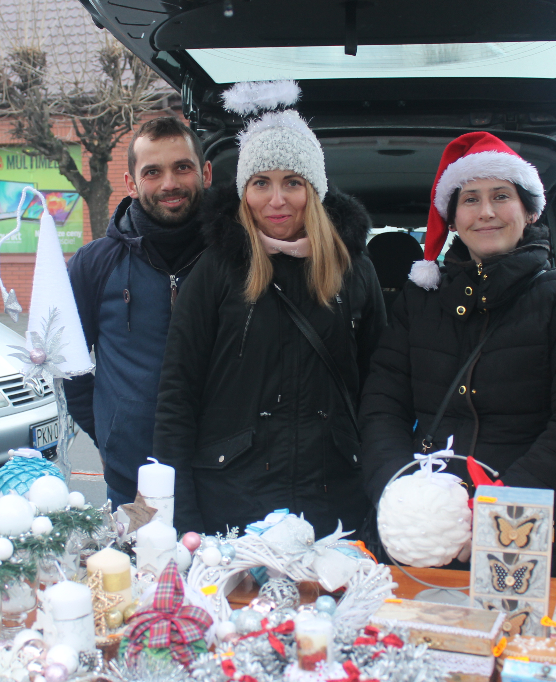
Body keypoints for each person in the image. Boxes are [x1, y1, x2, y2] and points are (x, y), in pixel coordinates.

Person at [360, 132, 556, 578]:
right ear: (453, 216)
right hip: (424, 535)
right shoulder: (420, 300)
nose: (485, 212)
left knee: (519, 648)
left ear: (529, 209)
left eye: (501, 196)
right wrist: (403, 501)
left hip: (528, 534)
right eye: (470, 199)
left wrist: (494, 515)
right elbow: (381, 408)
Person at [153, 81, 387, 539]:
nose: (276, 200)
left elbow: (380, 397)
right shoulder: (217, 270)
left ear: (314, 190)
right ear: (244, 191)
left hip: (332, 505)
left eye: (292, 183)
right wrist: (182, 519)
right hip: (233, 505)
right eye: (261, 183)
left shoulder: (353, 271)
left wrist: (379, 501)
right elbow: (177, 396)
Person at [65, 117, 212, 507]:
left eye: (183, 167)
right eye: (152, 172)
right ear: (130, 183)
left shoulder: (236, 260)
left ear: (206, 173)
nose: (169, 184)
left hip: (223, 480)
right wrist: (110, 439)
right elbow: (73, 369)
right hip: (132, 483)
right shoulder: (92, 265)